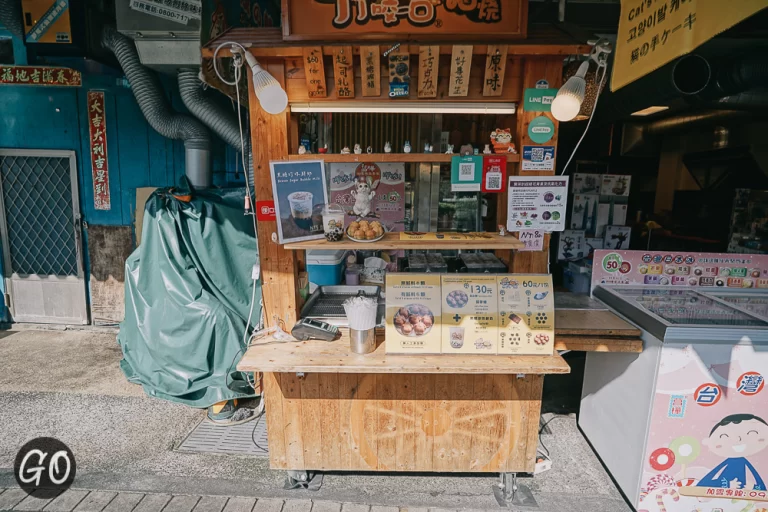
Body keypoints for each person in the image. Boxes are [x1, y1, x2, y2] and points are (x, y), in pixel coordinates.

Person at [697, 414, 768, 490]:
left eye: (752, 434)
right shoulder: (729, 463)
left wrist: (753, 487)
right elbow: (702, 485)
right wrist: (726, 484)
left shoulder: (745, 464)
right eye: (724, 437)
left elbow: (763, 489)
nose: (738, 439)